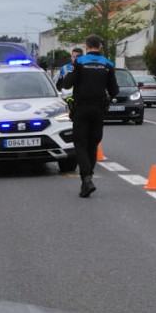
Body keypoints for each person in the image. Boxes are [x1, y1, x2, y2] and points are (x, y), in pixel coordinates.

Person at [62, 35, 118, 197]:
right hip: (98, 109)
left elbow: (66, 84)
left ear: (86, 46)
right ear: (100, 46)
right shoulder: (108, 64)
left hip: (81, 109)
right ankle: (88, 178)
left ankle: (86, 178)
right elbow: (114, 91)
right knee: (93, 144)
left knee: (80, 144)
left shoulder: (79, 62)